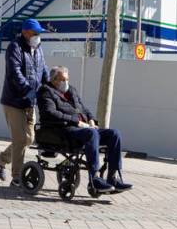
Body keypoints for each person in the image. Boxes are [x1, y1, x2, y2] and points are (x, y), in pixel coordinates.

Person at [37, 65, 133, 193]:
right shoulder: (46, 91)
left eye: (67, 79)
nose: (66, 83)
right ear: (54, 80)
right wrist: (77, 122)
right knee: (91, 133)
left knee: (114, 134)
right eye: (62, 80)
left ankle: (113, 177)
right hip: (64, 130)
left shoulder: (71, 90)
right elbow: (50, 113)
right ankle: (94, 178)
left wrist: (92, 119)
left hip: (84, 128)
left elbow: (83, 109)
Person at [0, 18, 49, 188]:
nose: (38, 36)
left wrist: (49, 89)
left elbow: (43, 70)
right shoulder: (14, 47)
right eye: (35, 33)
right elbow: (15, 73)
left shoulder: (38, 49)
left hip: (30, 101)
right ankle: (17, 177)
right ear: (25, 33)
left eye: (39, 33)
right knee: (20, 139)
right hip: (14, 101)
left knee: (29, 138)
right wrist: (28, 90)